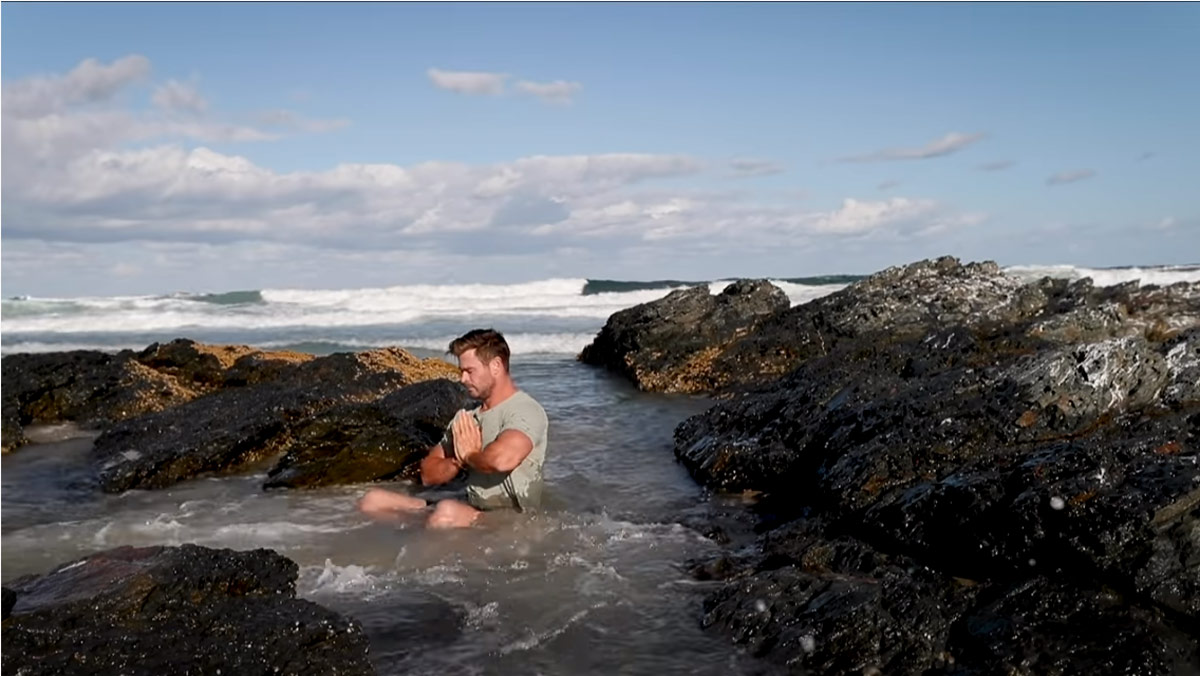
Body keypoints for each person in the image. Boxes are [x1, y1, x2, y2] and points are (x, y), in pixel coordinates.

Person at [358, 329, 549, 529]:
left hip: (510, 520)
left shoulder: (525, 410)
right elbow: (428, 474)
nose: (462, 379)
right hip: (471, 505)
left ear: (496, 366)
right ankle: (404, 550)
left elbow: (502, 460)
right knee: (372, 500)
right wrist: (459, 461)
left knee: (445, 512)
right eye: (461, 371)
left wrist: (470, 455)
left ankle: (424, 551)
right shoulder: (466, 416)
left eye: (470, 371)